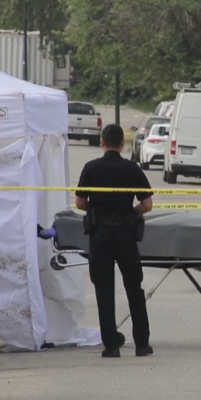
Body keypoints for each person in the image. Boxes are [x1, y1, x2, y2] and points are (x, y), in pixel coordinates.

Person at [75, 124, 154, 358]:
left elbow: (80, 203)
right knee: (133, 288)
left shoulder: (91, 168)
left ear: (102, 142)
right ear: (122, 144)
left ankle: (111, 345)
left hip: (100, 234)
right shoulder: (132, 169)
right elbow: (147, 205)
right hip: (126, 234)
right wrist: (131, 212)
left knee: (104, 289)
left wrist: (96, 209)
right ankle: (141, 344)